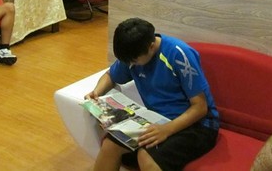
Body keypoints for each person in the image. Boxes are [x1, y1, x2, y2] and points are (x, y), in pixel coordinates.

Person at [86, 18, 219, 171]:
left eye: (134, 61)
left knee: (146, 156)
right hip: (156, 120)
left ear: (151, 47)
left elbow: (200, 107)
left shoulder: (179, 54)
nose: (131, 65)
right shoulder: (133, 53)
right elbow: (110, 75)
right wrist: (97, 92)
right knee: (110, 146)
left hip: (198, 125)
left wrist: (167, 130)